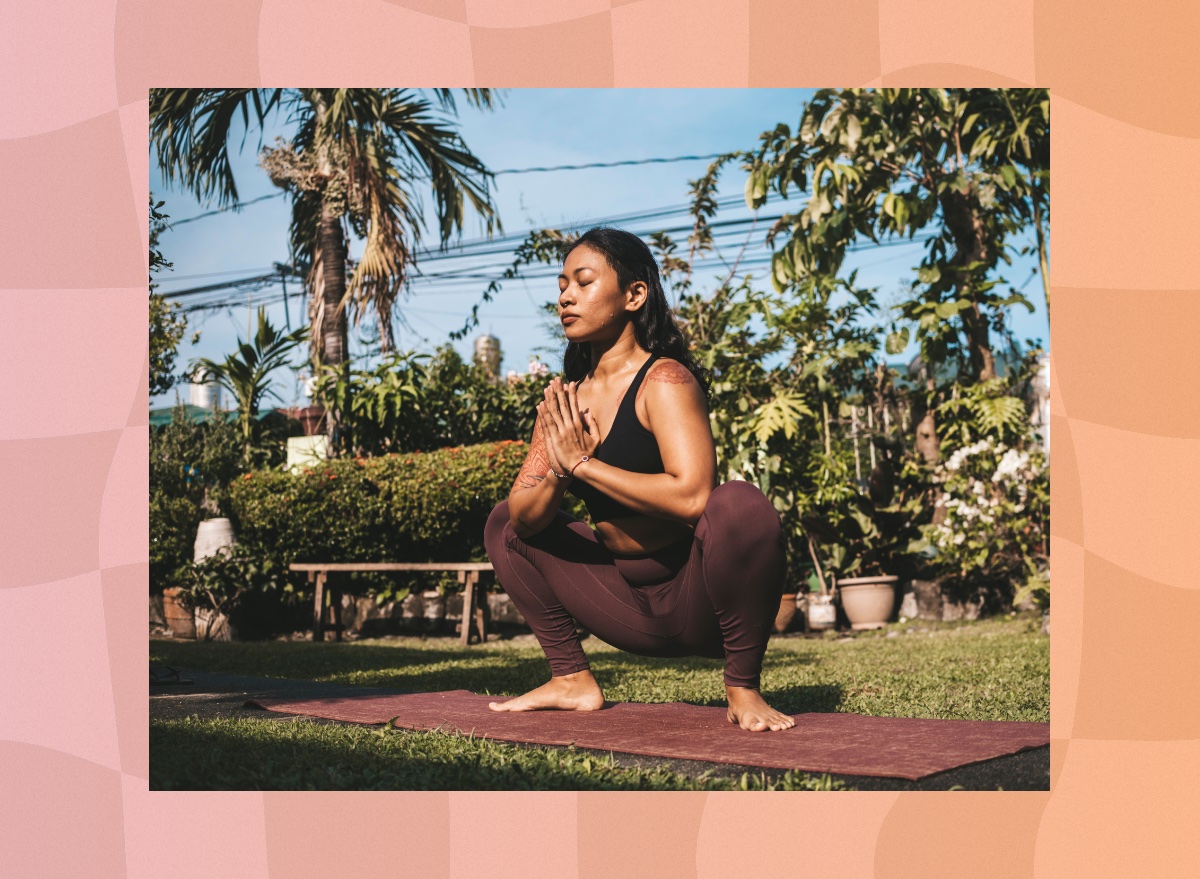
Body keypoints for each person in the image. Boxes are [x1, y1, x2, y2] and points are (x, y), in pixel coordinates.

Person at [483, 227, 794, 732]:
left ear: (634, 295)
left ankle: (742, 686)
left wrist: (584, 465)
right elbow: (523, 516)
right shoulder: (567, 401)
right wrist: (561, 470)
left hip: (697, 601)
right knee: (504, 522)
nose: (565, 296)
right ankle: (571, 680)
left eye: (583, 282)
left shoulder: (665, 379)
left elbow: (694, 496)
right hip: (621, 602)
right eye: (562, 284)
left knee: (740, 505)